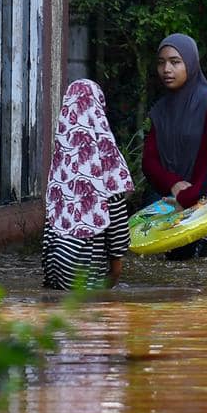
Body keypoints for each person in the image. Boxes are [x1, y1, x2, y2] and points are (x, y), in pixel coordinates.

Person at [142, 33, 207, 260]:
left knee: (201, 279)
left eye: (175, 62)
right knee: (174, 275)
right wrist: (172, 184)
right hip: (172, 205)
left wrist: (189, 195)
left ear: (190, 64)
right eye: (161, 62)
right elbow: (149, 161)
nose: (166, 69)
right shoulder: (160, 110)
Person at [43, 79, 134, 290]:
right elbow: (118, 221)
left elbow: (51, 219)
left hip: (53, 260)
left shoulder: (62, 159)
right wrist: (116, 266)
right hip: (83, 261)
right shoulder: (107, 159)